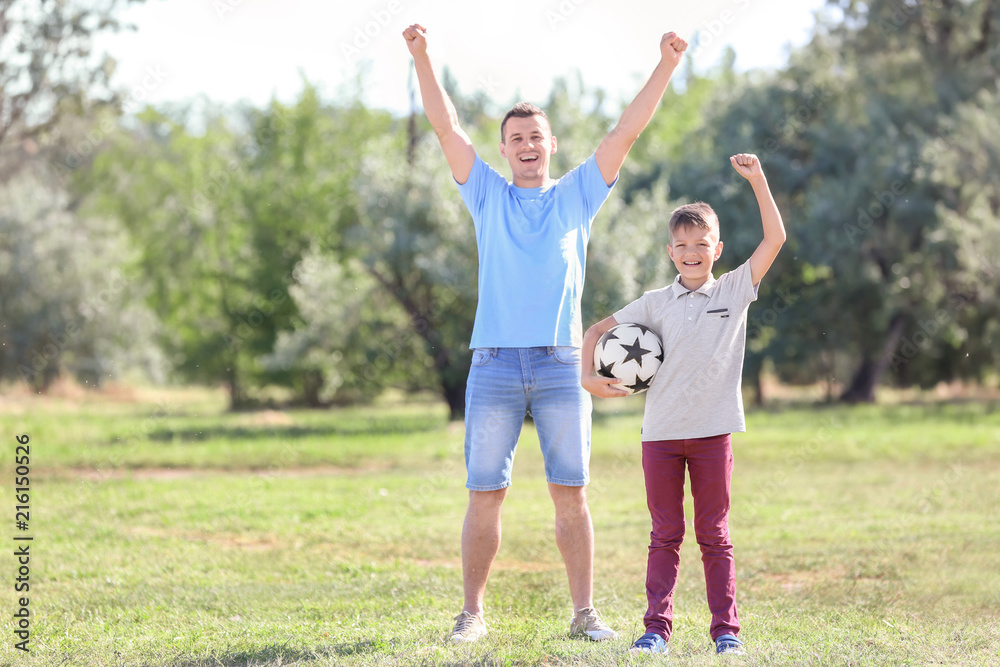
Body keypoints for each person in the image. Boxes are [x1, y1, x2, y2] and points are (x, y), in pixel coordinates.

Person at [402, 23, 689, 643]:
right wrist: (423, 57)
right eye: (515, 138)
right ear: (503, 151)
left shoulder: (578, 195)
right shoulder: (485, 195)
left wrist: (664, 66)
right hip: (495, 365)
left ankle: (585, 615)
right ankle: (471, 615)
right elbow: (447, 128)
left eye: (536, 136)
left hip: (563, 366)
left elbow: (626, 131)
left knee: (572, 494)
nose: (527, 144)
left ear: (551, 145)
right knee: (486, 494)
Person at [581, 153, 786, 656]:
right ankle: (655, 629)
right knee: (664, 534)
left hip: (714, 433)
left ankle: (727, 634)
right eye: (682, 245)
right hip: (661, 438)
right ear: (670, 251)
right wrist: (589, 377)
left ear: (717, 248)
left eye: (701, 244)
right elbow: (594, 331)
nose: (692, 252)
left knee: (715, 535)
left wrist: (758, 180)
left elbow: (775, 239)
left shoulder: (737, 289)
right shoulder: (653, 302)